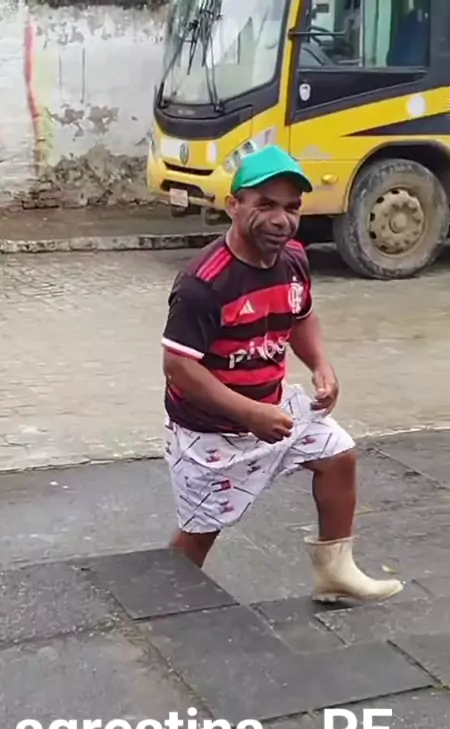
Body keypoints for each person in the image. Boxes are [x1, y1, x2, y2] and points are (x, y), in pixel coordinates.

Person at [160, 144, 403, 603]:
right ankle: (160, 607)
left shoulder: (292, 259)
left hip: (274, 409)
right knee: (200, 532)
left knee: (338, 457)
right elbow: (179, 366)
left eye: (292, 208)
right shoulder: (203, 284)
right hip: (211, 434)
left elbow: (301, 315)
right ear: (233, 205)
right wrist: (249, 414)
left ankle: (336, 573)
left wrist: (321, 366)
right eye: (266, 205)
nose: (281, 220)